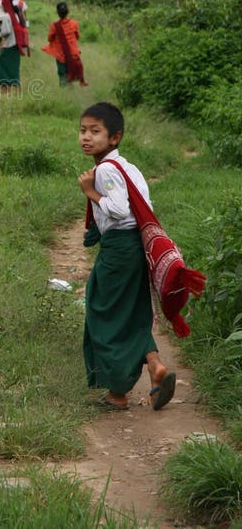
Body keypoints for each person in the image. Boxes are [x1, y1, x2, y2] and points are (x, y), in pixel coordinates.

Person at [77, 102, 176, 411]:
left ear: (115, 137)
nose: (86, 137)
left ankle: (117, 392)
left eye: (95, 131)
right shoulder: (127, 167)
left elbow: (119, 210)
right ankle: (156, 366)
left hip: (119, 249)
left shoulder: (105, 170)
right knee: (133, 312)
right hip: (135, 247)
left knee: (102, 312)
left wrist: (90, 191)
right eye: (83, 131)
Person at [42, 1, 88, 87]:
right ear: (68, 11)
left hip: (61, 56)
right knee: (70, 72)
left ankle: (65, 89)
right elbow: (77, 36)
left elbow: (49, 39)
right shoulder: (74, 24)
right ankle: (70, 87)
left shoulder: (54, 26)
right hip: (73, 54)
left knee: (62, 75)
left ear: (57, 12)